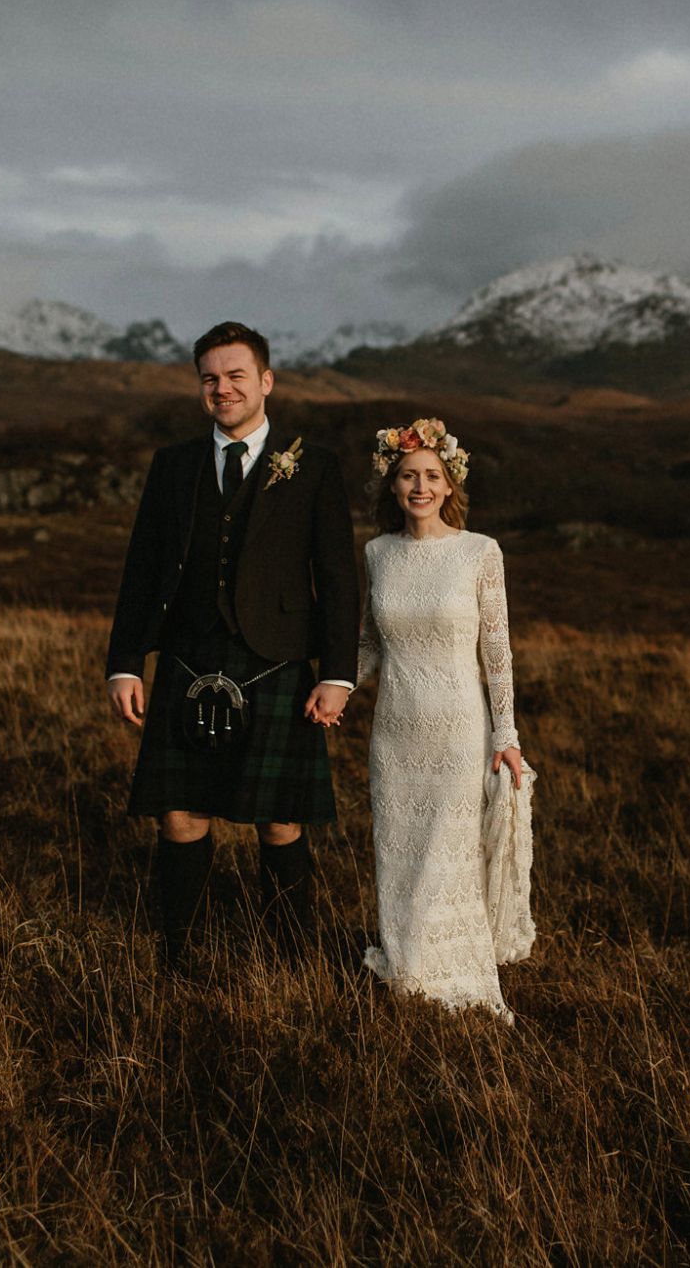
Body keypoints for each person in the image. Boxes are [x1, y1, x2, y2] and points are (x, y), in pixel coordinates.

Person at [104, 321, 358, 962]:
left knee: (280, 818)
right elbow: (141, 568)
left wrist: (338, 672)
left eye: (236, 375)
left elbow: (336, 576)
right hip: (189, 655)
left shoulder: (315, 467)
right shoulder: (173, 466)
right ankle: (180, 953)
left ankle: (291, 956)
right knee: (181, 815)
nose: (223, 388)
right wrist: (126, 663)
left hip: (276, 660)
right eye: (210, 378)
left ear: (266, 381)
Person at [354, 418, 535, 1022]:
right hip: (396, 732)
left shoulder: (480, 553)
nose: (420, 486)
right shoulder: (377, 555)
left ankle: (449, 973)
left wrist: (506, 735)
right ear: (392, 484)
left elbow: (497, 651)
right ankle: (406, 967)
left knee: (444, 852)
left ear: (450, 483)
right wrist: (333, 688)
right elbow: (369, 646)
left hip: (460, 729)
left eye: (431, 476)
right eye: (408, 476)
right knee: (398, 851)